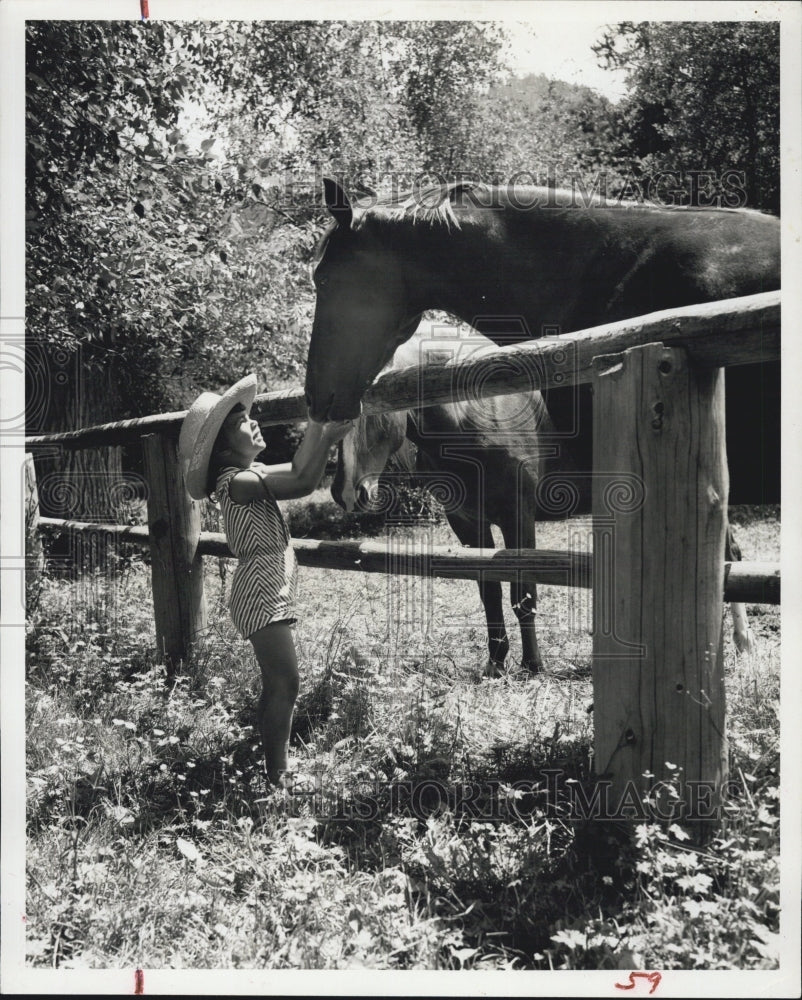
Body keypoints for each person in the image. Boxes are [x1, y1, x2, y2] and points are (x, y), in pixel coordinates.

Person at [178, 373, 352, 785]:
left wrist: (319, 427)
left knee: (280, 682)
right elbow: (304, 480)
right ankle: (277, 777)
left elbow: (298, 469)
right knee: (285, 681)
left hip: (265, 584)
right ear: (222, 446)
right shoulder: (237, 482)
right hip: (260, 588)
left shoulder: (248, 473)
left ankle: (274, 764)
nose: (253, 422)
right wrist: (323, 434)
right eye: (242, 420)